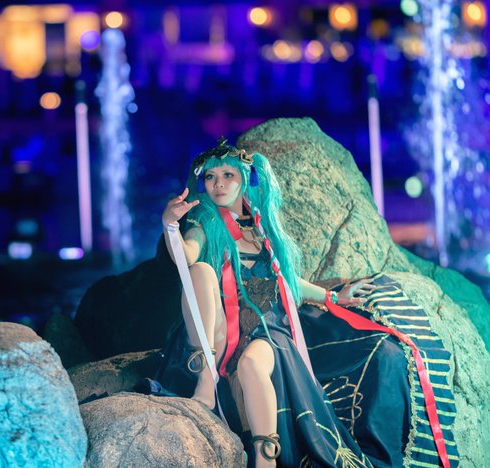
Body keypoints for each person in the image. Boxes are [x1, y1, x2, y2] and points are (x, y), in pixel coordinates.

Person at [158, 138, 458, 467]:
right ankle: (206, 381)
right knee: (201, 270)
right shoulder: (205, 220)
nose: (218, 184)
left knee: (253, 365)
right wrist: (170, 224)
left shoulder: (262, 228)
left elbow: (287, 282)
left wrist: (332, 297)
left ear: (244, 179)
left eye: (228, 175)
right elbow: (187, 256)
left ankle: (266, 459)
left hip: (264, 329)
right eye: (211, 177)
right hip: (217, 328)